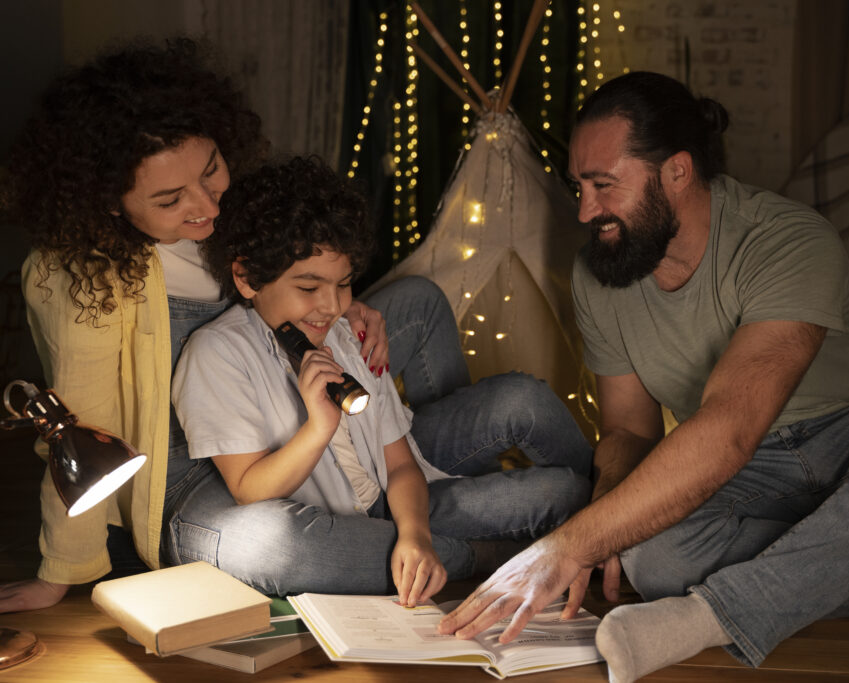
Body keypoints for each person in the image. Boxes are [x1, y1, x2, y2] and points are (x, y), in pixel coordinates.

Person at [438, 71, 849, 681]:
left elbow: (732, 425)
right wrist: (610, 519)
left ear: (677, 172)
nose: (586, 209)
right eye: (579, 185)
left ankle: (713, 617)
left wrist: (566, 546)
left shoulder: (787, 240)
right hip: (748, 477)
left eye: (604, 185)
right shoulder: (601, 274)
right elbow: (630, 431)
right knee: (653, 557)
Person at [0, 38, 590, 614]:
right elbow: (74, 425)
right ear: (109, 202)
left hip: (313, 408)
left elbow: (295, 272)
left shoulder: (235, 216)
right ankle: (491, 548)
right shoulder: (81, 277)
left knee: (419, 301)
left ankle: (441, 494)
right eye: (171, 199)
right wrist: (61, 573)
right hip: (199, 474)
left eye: (212, 171)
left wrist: (340, 304)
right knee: (278, 546)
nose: (207, 206)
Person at [168, 156, 588, 600]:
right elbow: (249, 488)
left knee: (564, 491)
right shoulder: (218, 354)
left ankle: (603, 530)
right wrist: (318, 429)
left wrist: (415, 534)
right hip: (340, 526)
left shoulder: (346, 335)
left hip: (401, 504)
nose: (331, 306)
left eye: (344, 284)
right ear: (247, 277)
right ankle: (511, 558)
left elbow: (401, 464)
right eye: (309, 288)